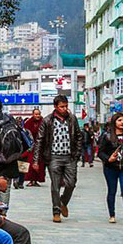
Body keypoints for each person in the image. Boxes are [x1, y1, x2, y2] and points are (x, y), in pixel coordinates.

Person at [36, 95, 85, 223]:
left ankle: (63, 202)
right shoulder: (47, 121)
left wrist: (77, 153)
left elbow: (79, 137)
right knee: (55, 186)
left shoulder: (72, 119)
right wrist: (36, 160)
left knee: (71, 183)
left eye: (66, 106)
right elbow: (39, 140)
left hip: (70, 157)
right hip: (53, 157)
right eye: (61, 106)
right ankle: (56, 211)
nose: (64, 109)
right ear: (55, 107)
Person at [98, 113, 123, 223]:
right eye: (119, 120)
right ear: (114, 122)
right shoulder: (106, 135)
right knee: (112, 191)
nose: (122, 122)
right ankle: (112, 215)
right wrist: (108, 159)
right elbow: (100, 152)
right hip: (111, 168)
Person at [22, 108, 45, 188]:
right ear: (33, 114)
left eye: (38, 114)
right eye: (36, 114)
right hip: (31, 146)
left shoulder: (43, 122)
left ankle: (36, 180)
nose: (37, 116)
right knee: (31, 163)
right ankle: (31, 180)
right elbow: (25, 134)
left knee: (40, 164)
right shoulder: (28, 123)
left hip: (41, 146)